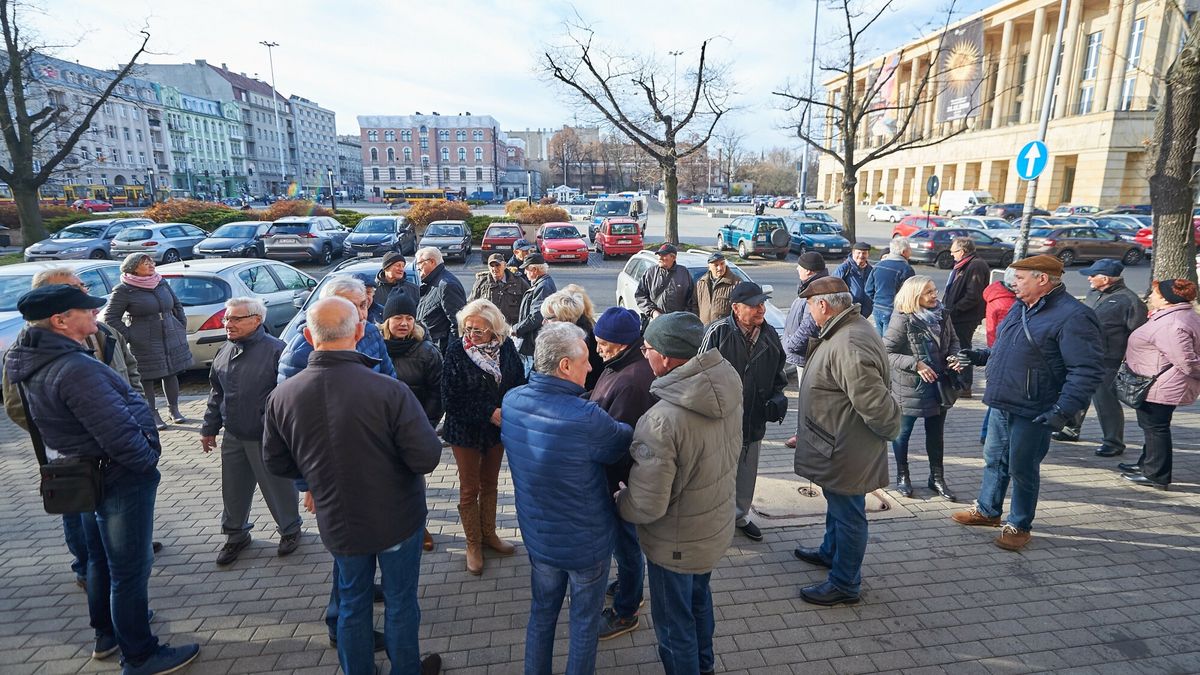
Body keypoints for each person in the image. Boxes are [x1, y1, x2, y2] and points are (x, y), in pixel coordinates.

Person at [5, 284, 201, 673]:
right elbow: (115, 431)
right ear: (60, 321)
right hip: (117, 476)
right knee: (129, 570)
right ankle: (141, 654)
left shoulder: (29, 356)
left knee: (103, 561)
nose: (96, 314)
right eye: (86, 310)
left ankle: (110, 636)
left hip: (86, 471)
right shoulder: (74, 368)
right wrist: (147, 461)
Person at [263, 297, 442, 675]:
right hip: (398, 517)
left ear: (309, 336)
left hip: (338, 519)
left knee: (352, 602)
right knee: (400, 603)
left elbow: (277, 462)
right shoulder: (389, 391)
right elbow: (426, 458)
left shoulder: (282, 396)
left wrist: (315, 477)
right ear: (360, 331)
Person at [501, 321, 633, 674]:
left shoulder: (512, 400)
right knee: (584, 623)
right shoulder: (586, 417)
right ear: (564, 366)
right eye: (586, 360)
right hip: (585, 543)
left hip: (539, 537)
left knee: (542, 615)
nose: (592, 367)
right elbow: (621, 439)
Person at [615, 312, 742, 673]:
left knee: (673, 625)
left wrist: (621, 500)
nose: (643, 353)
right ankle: (705, 665)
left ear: (667, 358)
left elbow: (647, 504)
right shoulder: (726, 380)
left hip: (675, 542)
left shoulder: (661, 420)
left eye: (648, 348)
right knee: (699, 600)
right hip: (712, 527)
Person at [2, 267, 144, 588]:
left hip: (117, 442)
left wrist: (133, 416)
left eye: (82, 287)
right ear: (55, 312)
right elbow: (16, 407)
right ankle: (86, 567)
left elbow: (130, 372)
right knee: (80, 514)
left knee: (116, 511)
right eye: (74, 291)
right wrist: (71, 433)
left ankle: (121, 548)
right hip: (73, 458)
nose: (85, 295)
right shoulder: (25, 352)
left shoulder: (103, 331)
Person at [953, 255, 1103, 551]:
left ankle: (1019, 524)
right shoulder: (1022, 306)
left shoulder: (1074, 316)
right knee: (994, 459)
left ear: (1042, 279)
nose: (1013, 283)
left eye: (1020, 278)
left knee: (1022, 468)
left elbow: (1086, 371)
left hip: (1036, 408)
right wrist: (980, 356)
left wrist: (1062, 411)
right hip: (1003, 400)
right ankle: (987, 510)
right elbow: (1005, 349)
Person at [791, 277, 901, 606]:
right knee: (839, 506)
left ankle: (845, 583)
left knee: (849, 513)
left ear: (823, 305)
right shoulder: (847, 329)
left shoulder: (849, 340)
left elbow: (874, 404)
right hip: (838, 442)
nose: (809, 311)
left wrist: (889, 431)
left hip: (845, 447)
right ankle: (830, 552)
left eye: (811, 305)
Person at [200, 297, 301, 566]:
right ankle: (236, 534)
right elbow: (216, 393)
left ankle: (290, 530)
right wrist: (209, 428)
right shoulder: (225, 350)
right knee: (233, 489)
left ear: (257, 320)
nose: (228, 324)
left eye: (235, 319)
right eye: (226, 319)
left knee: (278, 487)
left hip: (266, 435)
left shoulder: (277, 350)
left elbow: (288, 396)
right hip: (233, 433)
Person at [441, 299, 526, 575]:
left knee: (490, 483)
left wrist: (508, 409)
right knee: (469, 488)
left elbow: (518, 383)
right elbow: (451, 398)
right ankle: (473, 543)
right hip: (465, 430)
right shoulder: (457, 351)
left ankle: (489, 534)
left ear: (494, 328)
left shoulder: (507, 348)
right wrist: (489, 411)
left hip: (496, 431)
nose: (472, 335)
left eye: (478, 330)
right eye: (468, 329)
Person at [587, 307, 657, 641]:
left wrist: (612, 486)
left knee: (626, 544)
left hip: (620, 480)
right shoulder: (619, 363)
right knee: (625, 544)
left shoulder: (631, 380)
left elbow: (619, 441)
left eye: (602, 343)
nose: (597, 349)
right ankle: (630, 585)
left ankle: (627, 610)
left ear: (622, 343)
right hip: (619, 476)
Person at [699, 282, 788, 542]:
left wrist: (776, 397)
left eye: (763, 304)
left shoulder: (770, 334)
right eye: (755, 305)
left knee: (746, 473)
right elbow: (699, 374)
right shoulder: (718, 332)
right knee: (716, 473)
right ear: (736, 309)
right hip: (720, 421)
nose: (762, 309)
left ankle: (740, 516)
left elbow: (779, 375)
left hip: (754, 420)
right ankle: (712, 519)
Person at [1053, 259, 1147, 453]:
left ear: (1105, 279)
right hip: (1082, 355)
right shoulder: (1093, 293)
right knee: (1077, 392)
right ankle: (1071, 429)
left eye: (1092, 275)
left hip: (1108, 360)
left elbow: (1138, 335)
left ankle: (1113, 442)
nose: (1088, 278)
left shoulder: (1129, 301)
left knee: (1105, 402)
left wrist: (1128, 361)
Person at [883, 276, 964, 500]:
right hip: (910, 388)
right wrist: (915, 364)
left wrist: (955, 357)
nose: (934, 295)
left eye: (934, 290)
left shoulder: (942, 314)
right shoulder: (903, 318)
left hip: (939, 386)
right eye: (928, 292)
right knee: (902, 434)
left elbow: (954, 341)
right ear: (914, 295)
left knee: (936, 435)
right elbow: (886, 352)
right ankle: (902, 476)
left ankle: (936, 478)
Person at [1119, 279, 1200, 490]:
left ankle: (1156, 475)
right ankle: (1146, 465)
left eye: (1154, 293)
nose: (1149, 296)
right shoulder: (1177, 315)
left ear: (1165, 299)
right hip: (1155, 381)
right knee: (1151, 427)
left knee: (1156, 428)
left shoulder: (1173, 324)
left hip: (1159, 384)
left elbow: (1187, 361)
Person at [380, 291, 443, 552]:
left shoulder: (427, 351)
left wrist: (424, 424)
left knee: (413, 480)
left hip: (414, 428)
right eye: (397, 318)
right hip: (380, 430)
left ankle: (419, 525)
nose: (404, 323)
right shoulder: (375, 348)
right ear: (386, 322)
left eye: (409, 318)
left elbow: (438, 393)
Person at [103, 252, 193, 429]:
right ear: (134, 268)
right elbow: (110, 317)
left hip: (170, 334)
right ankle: (152, 413)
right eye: (146, 264)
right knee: (147, 376)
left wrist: (180, 324)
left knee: (171, 372)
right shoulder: (123, 289)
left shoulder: (160, 281)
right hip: (144, 340)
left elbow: (176, 305)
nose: (151, 265)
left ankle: (173, 410)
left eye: (151, 262)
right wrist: (130, 335)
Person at [279, 275, 396, 381]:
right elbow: (290, 399)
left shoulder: (371, 332)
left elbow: (390, 379)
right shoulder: (297, 354)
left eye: (363, 305)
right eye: (348, 307)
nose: (360, 315)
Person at [782, 251, 829, 448]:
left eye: (799, 266)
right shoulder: (811, 285)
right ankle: (803, 433)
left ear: (808, 271)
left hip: (807, 355)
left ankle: (808, 436)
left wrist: (789, 345)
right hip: (803, 355)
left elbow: (809, 327)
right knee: (806, 398)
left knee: (810, 399)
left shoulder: (817, 290)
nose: (796, 269)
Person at [942, 237, 990, 397]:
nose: (951, 254)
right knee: (959, 348)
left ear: (962, 251)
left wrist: (954, 310)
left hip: (964, 317)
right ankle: (959, 381)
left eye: (953, 251)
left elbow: (973, 295)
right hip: (957, 316)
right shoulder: (965, 264)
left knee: (963, 349)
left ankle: (965, 385)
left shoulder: (976, 265)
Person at [541, 288, 604, 390]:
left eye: (547, 318)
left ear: (563, 319)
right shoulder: (584, 330)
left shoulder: (579, 343)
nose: (543, 322)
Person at [414, 247, 468, 352]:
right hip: (429, 347)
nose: (417, 268)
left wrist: (450, 354)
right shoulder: (432, 282)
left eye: (419, 263)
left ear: (432, 262)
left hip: (440, 350)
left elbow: (458, 324)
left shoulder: (447, 285)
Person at [634, 244, 697, 326]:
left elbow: (692, 299)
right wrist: (652, 312)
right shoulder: (650, 273)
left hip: (678, 325)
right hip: (655, 323)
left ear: (673, 258)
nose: (660, 258)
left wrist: (684, 318)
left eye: (663, 255)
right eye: (659, 255)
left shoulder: (684, 273)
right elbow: (640, 296)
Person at [511, 254, 556, 368]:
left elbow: (536, 316)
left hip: (534, 342)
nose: (525, 273)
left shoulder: (543, 287)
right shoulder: (542, 284)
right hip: (534, 341)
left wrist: (516, 329)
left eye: (526, 269)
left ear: (535, 270)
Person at [865, 237, 915, 335]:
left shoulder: (878, 266)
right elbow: (909, 295)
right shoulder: (906, 269)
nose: (911, 252)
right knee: (889, 342)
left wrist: (878, 301)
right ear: (904, 251)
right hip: (894, 311)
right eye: (910, 249)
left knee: (880, 341)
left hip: (877, 308)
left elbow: (868, 289)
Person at [470, 252, 529, 326]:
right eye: (491, 266)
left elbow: (529, 304)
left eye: (497, 265)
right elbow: (471, 305)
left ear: (504, 265)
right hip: (488, 328)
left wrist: (520, 327)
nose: (494, 268)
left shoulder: (519, 282)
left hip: (511, 329)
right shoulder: (481, 283)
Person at [695, 252, 741, 325]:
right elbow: (694, 306)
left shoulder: (736, 283)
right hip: (704, 330)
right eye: (716, 265)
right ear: (709, 267)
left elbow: (740, 311)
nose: (719, 268)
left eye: (722, 264)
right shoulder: (701, 283)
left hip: (725, 331)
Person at [834, 242, 874, 317]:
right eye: (858, 253)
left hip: (865, 311)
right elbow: (834, 287)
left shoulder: (871, 270)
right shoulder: (844, 268)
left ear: (868, 254)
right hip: (849, 310)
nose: (861, 256)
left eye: (864, 253)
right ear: (853, 253)